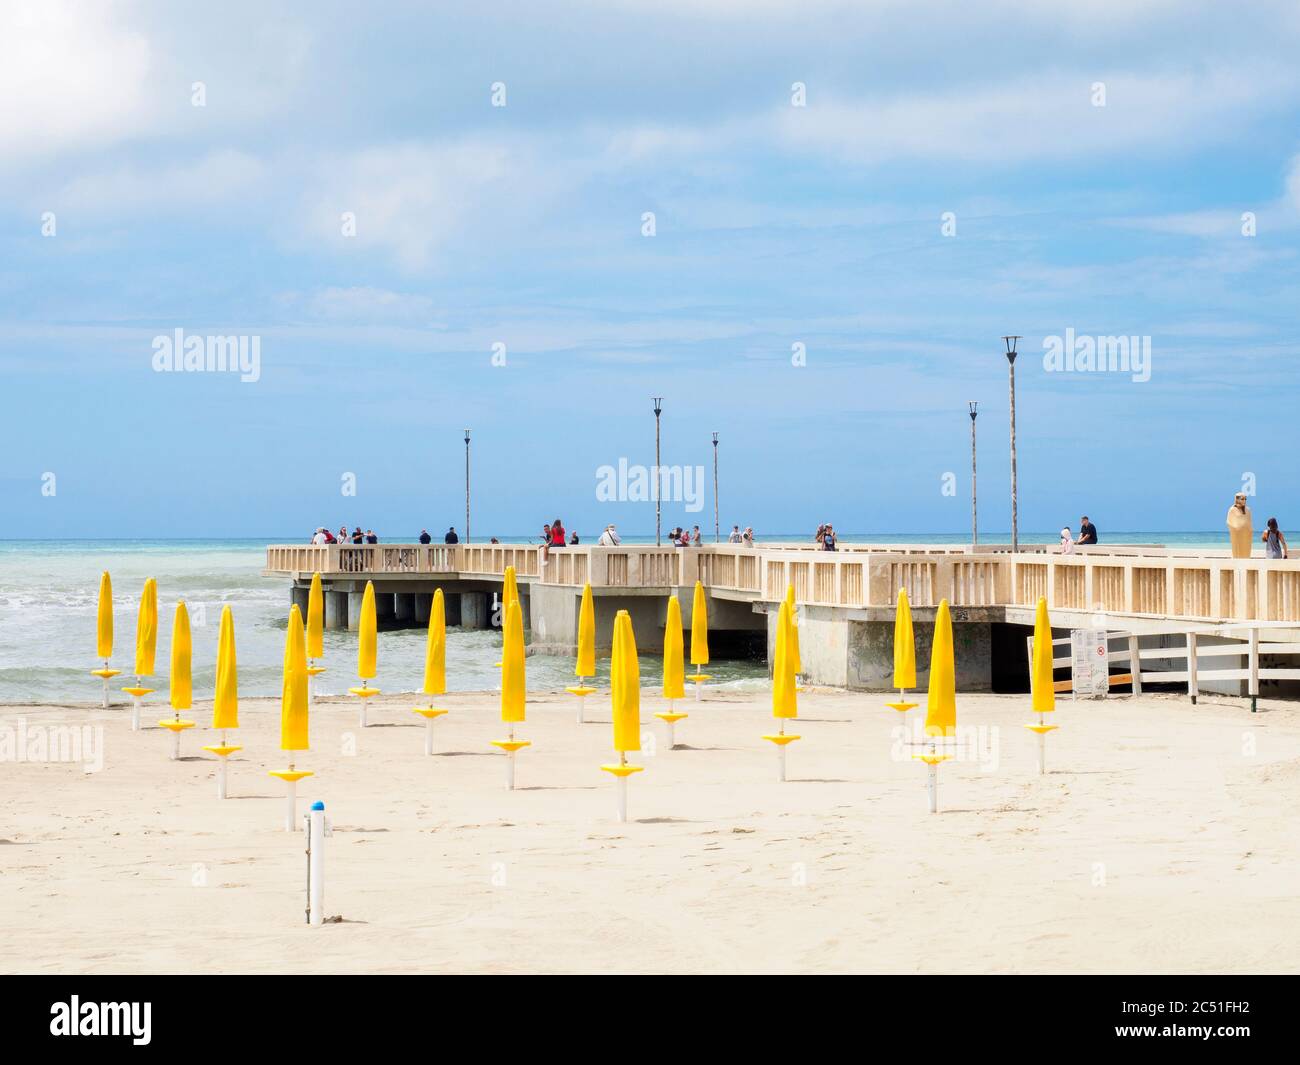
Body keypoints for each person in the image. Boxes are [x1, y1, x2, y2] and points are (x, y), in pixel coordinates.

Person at [1227, 493, 1253, 558]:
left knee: (1246, 552)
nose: (1244, 501)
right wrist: (1235, 528)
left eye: (1245, 499)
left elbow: (1249, 521)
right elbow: (1228, 522)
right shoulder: (1232, 509)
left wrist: (1250, 529)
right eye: (1242, 499)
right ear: (1237, 500)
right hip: (1237, 535)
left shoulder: (1248, 510)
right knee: (1238, 551)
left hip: (1247, 535)